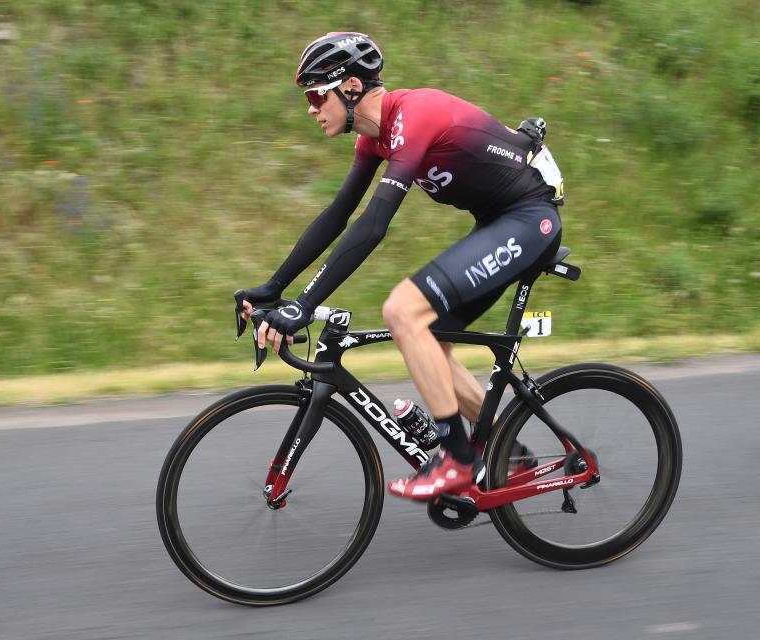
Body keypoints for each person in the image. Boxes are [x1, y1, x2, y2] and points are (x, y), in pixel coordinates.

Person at [239, 32, 564, 500]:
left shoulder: (413, 115)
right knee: (427, 335)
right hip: (499, 221)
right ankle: (506, 449)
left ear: (350, 87)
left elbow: (373, 224)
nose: (310, 108)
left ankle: (455, 458)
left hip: (530, 220)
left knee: (403, 311)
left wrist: (307, 304)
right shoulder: (374, 140)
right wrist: (274, 288)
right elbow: (337, 216)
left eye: (315, 94)